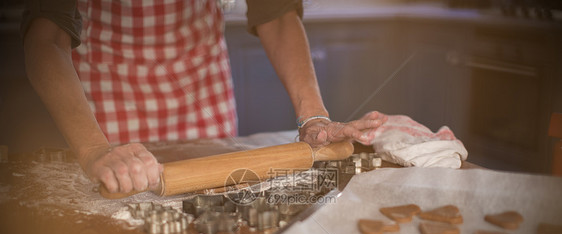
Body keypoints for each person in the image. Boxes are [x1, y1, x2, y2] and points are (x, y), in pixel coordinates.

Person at [22, 0, 387, 194]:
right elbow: (47, 36)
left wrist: (313, 120)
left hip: (200, 82)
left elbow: (275, 13)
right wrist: (94, 149)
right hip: (107, 85)